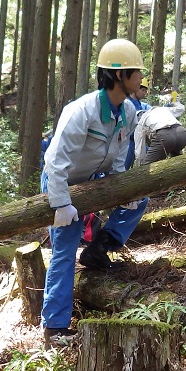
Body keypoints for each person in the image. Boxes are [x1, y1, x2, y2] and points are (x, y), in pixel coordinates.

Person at [42, 39, 150, 348]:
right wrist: (61, 204)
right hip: (61, 184)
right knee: (64, 251)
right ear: (119, 76)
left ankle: (100, 248)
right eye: (136, 73)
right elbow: (54, 163)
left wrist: (122, 191)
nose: (141, 79)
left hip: (93, 181)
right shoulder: (81, 111)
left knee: (139, 199)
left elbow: (117, 158)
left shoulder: (128, 111)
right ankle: (55, 328)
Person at [134, 100, 186, 165]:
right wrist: (175, 101)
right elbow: (180, 108)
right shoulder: (162, 109)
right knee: (178, 161)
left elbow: (139, 150)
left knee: (146, 166)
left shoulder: (140, 122)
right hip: (182, 133)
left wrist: (140, 164)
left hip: (165, 137)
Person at [124, 78, 152, 169]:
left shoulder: (142, 105)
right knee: (123, 169)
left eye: (145, 90)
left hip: (139, 142)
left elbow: (153, 110)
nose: (144, 93)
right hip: (127, 142)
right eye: (142, 90)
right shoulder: (126, 103)